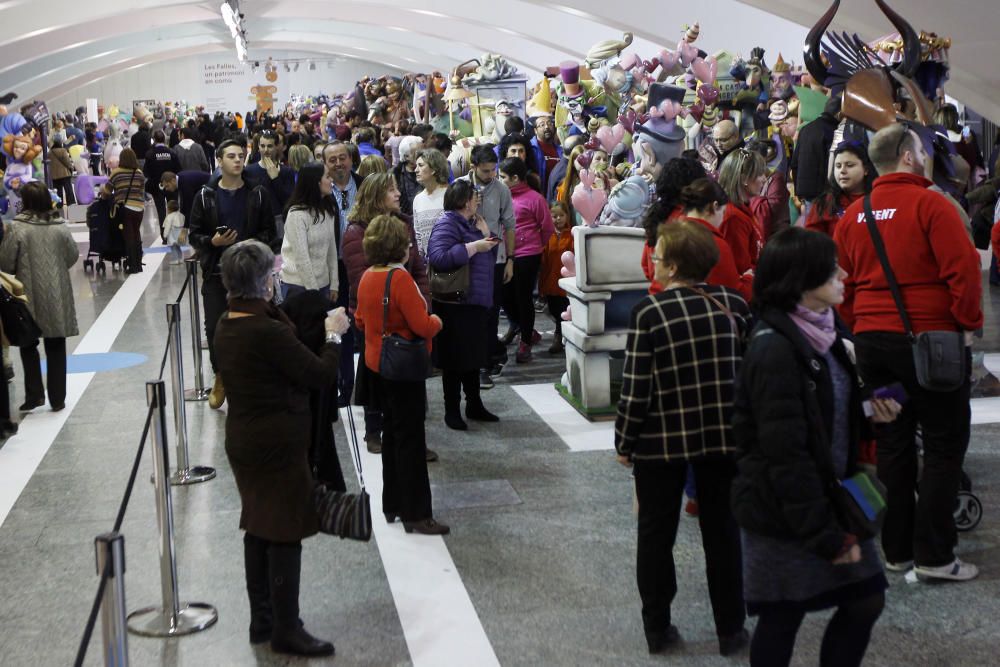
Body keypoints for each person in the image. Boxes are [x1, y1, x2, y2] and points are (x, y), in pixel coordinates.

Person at [732, 227, 901, 667]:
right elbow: (782, 451)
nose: (844, 273)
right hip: (786, 510)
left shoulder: (827, 331)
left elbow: (821, 410)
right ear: (801, 280)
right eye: (831, 269)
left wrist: (868, 411)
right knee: (782, 616)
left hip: (830, 495)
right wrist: (824, 535)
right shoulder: (773, 350)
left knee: (866, 599)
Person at [835, 123, 983, 581]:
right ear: (907, 156)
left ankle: (897, 550)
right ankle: (936, 556)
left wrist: (864, 327)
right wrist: (968, 326)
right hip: (930, 345)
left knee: (893, 442)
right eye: (920, 149)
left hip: (876, 347)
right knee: (942, 444)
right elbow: (963, 271)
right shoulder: (932, 205)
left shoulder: (853, 216)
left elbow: (842, 284)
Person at [616, 220, 749, 657]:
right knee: (722, 534)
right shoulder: (732, 304)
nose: (651, 265)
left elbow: (636, 388)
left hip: (661, 441)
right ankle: (732, 628)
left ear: (672, 267)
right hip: (722, 437)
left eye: (656, 259)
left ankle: (658, 628)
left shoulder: (649, 313)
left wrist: (625, 442)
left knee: (656, 535)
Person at [214, 239, 348, 657]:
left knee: (258, 524)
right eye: (273, 273)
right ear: (265, 281)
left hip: (246, 438)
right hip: (277, 442)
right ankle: (286, 627)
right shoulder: (265, 331)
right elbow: (320, 373)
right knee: (286, 529)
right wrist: (333, 336)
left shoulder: (229, 322)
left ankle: (263, 620)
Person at [355, 214, 448, 535]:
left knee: (392, 437)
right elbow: (422, 325)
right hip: (403, 370)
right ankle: (417, 513)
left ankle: (392, 503)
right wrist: (437, 323)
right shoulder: (401, 279)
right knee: (410, 441)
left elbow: (360, 320)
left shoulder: (368, 276)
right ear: (399, 247)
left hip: (376, 366)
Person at [342, 173, 433, 459]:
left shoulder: (404, 223)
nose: (397, 194)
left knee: (409, 379)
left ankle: (409, 436)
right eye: (391, 190)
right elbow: (361, 278)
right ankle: (373, 428)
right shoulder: (356, 232)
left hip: (408, 312)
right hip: (374, 317)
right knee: (376, 372)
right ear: (375, 196)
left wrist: (422, 302)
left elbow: (418, 268)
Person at [189, 139, 278, 410]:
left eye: (241, 156)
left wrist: (247, 244)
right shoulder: (205, 196)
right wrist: (213, 243)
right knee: (216, 328)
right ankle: (221, 376)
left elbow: (270, 234)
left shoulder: (258, 193)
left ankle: (253, 378)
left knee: (256, 327)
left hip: (252, 274)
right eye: (231, 156)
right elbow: (193, 234)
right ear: (219, 160)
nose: (238, 161)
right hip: (217, 273)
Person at [427, 180, 502, 430]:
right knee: (454, 360)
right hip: (456, 304)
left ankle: (474, 404)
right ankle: (452, 410)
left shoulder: (471, 222)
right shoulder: (447, 222)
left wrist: (484, 235)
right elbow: (437, 257)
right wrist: (473, 246)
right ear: (464, 201)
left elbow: (488, 256)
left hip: (474, 301)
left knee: (472, 357)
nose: (477, 200)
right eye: (473, 197)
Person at [0, 181, 79, 414]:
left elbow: (5, 262)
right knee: (56, 344)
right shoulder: (60, 226)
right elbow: (72, 256)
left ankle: (34, 395)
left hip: (27, 295)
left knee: (28, 343)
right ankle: (58, 398)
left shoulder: (17, 228)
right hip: (57, 293)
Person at [457, 145, 516, 387]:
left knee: (491, 313)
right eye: (485, 171)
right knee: (470, 312)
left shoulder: (501, 189)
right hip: (467, 257)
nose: (491, 175)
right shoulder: (460, 187)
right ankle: (472, 360)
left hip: (495, 259)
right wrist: (469, 207)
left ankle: (486, 364)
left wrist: (511, 259)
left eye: (494, 170)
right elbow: (450, 220)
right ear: (473, 167)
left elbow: (509, 225)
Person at [499, 157, 554, 363]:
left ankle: (525, 342)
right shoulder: (500, 196)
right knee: (505, 295)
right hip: (503, 253)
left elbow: (547, 227)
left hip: (527, 255)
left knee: (523, 298)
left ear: (515, 178)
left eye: (502, 177)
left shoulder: (534, 198)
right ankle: (524, 328)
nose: (499, 179)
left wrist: (534, 246)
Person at [675, 178, 753, 300]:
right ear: (714, 206)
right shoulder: (714, 244)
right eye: (723, 212)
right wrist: (749, 279)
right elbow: (734, 293)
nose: (723, 218)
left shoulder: (669, 234)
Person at [279, 163, 339, 301]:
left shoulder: (327, 210)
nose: (332, 180)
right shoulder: (296, 214)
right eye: (328, 177)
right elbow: (302, 259)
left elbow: (331, 250)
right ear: (316, 182)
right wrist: (314, 294)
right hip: (297, 286)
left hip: (323, 284)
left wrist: (334, 284)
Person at [805, 141, 874, 237]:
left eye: (849, 165)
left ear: (866, 169)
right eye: (838, 166)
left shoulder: (878, 200)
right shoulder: (824, 203)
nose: (842, 171)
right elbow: (812, 242)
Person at [718, 147, 765, 280]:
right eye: (759, 174)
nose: (764, 179)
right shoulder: (733, 217)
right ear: (744, 179)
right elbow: (741, 269)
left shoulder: (743, 209)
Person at [791, 96, 840, 218]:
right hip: (823, 194)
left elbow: (795, 163)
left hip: (805, 192)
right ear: (839, 114)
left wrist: (798, 191)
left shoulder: (805, 129)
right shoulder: (833, 131)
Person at [538, 202, 574, 353]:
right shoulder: (546, 235)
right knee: (554, 309)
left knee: (564, 310)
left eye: (561, 215)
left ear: (567, 216)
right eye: (554, 216)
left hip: (566, 282)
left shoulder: (572, 234)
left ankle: (559, 336)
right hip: (550, 281)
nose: (558, 219)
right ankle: (559, 334)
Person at [245, 130, 296, 226]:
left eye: (270, 146)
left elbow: (289, 201)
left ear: (276, 147)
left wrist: (276, 179)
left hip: (279, 219)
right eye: (262, 146)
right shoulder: (249, 171)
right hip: (256, 220)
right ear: (258, 147)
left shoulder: (286, 171)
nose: (266, 150)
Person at [108, 148, 146, 274]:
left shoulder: (116, 173)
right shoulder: (139, 173)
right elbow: (142, 190)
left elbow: (107, 190)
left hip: (125, 208)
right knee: (136, 234)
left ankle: (133, 266)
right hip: (139, 208)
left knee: (129, 236)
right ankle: (139, 263)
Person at [411, 148, 449, 259]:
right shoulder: (418, 199)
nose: (416, 170)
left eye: (421, 165)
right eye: (416, 166)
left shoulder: (450, 194)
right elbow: (418, 235)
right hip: (429, 266)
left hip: (452, 263)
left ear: (434, 168)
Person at [144, 130, 182, 239]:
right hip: (172, 185)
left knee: (161, 211)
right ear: (164, 139)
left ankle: (164, 236)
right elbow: (179, 169)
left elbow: (146, 172)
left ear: (154, 140)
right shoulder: (172, 152)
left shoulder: (150, 154)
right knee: (173, 209)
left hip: (156, 186)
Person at [392, 135, 423, 215]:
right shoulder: (395, 174)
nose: (422, 155)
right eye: (418, 153)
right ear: (406, 156)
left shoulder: (429, 171)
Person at [48, 138, 76, 218]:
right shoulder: (62, 150)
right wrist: (71, 168)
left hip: (55, 175)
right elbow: (67, 162)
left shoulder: (50, 152)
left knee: (58, 191)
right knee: (68, 189)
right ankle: (71, 203)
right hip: (64, 174)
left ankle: (59, 206)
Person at [162, 199, 186, 265]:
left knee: (173, 248)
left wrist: (165, 235)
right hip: (181, 234)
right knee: (179, 248)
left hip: (173, 234)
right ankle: (181, 259)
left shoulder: (169, 217)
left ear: (168, 209)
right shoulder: (181, 215)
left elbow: (167, 227)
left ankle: (175, 260)